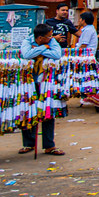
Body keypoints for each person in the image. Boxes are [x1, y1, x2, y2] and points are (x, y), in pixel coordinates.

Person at [19, 23, 65, 156]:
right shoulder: (27, 41)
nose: (52, 38)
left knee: (47, 111)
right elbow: (26, 54)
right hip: (29, 80)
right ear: (40, 38)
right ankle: (28, 143)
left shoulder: (51, 41)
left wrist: (40, 49)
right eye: (48, 37)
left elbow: (57, 54)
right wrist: (45, 48)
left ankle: (49, 145)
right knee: (28, 110)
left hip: (45, 81)